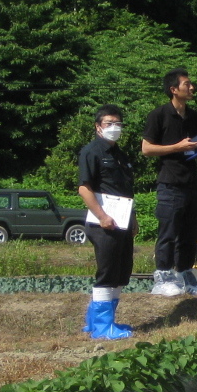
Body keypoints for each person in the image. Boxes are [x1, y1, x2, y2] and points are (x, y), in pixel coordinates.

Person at [141, 69, 197, 296]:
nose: (192, 88)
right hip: (169, 183)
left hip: (191, 183)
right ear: (173, 89)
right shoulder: (158, 115)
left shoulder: (194, 116)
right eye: (187, 84)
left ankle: (187, 274)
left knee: (190, 233)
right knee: (168, 232)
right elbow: (146, 149)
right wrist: (177, 147)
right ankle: (163, 276)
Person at [76, 105, 136, 339]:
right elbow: (84, 188)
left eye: (118, 124)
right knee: (108, 271)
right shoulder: (91, 152)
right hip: (104, 223)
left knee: (122, 271)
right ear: (98, 126)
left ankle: (99, 320)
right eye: (109, 123)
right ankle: (102, 327)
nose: (114, 128)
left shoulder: (120, 155)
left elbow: (125, 191)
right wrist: (102, 216)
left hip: (123, 220)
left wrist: (133, 219)